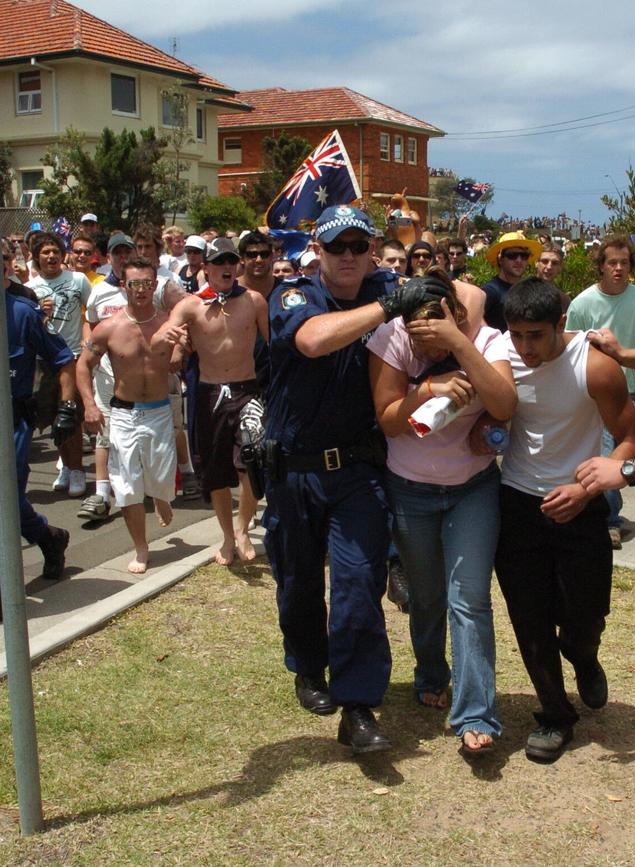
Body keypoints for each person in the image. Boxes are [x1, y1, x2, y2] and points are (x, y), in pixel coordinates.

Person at [262, 205, 437, 754]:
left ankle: (358, 704)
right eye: (337, 247)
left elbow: (459, 305)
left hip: (358, 469)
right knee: (298, 582)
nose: (348, 257)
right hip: (294, 471)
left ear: (370, 251)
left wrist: (424, 287)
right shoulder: (294, 295)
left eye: (359, 247)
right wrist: (388, 304)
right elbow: (313, 341)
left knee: (359, 582)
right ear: (318, 249)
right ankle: (308, 665)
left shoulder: (387, 284)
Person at [495, 278, 635, 762]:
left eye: (536, 335)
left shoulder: (593, 364)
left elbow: (629, 438)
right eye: (516, 335)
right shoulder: (501, 357)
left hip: (582, 507)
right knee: (529, 620)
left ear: (561, 324)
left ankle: (583, 655)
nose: (525, 347)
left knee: (585, 617)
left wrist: (587, 487)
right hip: (518, 503)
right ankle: (556, 716)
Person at [368, 271, 517, 755]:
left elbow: (505, 403)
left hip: (472, 489)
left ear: (457, 316)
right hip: (410, 489)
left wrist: (460, 344)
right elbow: (389, 422)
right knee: (427, 596)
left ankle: (476, 713)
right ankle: (431, 671)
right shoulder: (392, 339)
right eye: (420, 336)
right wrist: (428, 387)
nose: (429, 344)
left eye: (439, 331)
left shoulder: (489, 340)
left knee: (469, 598)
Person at [152, 238, 268, 565]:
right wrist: (169, 338)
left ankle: (244, 527)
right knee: (215, 471)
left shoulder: (254, 301)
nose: (227, 267)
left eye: (231, 261)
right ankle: (228, 537)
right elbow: (161, 340)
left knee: (251, 465)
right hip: (209, 392)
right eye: (219, 262)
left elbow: (274, 345)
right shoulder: (191, 305)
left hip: (247, 390)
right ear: (206, 268)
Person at [76, 258, 179, 574]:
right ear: (124, 285)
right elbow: (83, 365)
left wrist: (179, 349)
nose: (141, 290)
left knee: (163, 478)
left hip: (159, 411)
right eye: (134, 283)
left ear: (155, 285)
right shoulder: (110, 327)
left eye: (147, 283)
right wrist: (90, 405)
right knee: (126, 486)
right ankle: (141, 547)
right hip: (123, 414)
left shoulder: (167, 323)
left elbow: (176, 365)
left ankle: (160, 495)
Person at [566, 234, 635, 548]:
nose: (618, 268)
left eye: (624, 263)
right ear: (600, 266)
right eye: (612, 262)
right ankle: (609, 521)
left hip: (627, 391)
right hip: (595, 395)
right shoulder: (583, 303)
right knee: (606, 455)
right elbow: (570, 347)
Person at [3, 238, 77, 589]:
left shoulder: (22, 312)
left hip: (12, 423)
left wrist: (67, 407)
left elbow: (63, 359)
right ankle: (48, 536)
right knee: (10, 505)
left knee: (6, 500)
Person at [27, 231, 92, 497]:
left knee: (72, 414)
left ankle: (77, 469)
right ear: (36, 258)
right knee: (54, 416)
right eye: (45, 252)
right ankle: (65, 464)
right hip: (45, 360)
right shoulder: (30, 289)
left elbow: (92, 314)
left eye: (55, 251)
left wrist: (88, 344)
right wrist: (40, 316)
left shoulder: (78, 280)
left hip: (74, 356)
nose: (51, 256)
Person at [482, 232, 542, 331]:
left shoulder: (528, 289)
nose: (519, 260)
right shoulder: (490, 291)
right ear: (500, 259)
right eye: (512, 255)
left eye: (524, 256)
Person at [535, 244, 570, 312]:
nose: (549, 267)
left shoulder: (563, 301)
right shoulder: (521, 292)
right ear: (536, 263)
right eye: (545, 261)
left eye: (554, 263)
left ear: (560, 267)